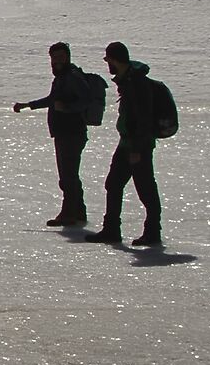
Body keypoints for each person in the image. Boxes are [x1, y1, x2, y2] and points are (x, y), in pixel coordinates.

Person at [12, 41, 101, 227]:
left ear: (68, 57)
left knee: (67, 176)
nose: (57, 61)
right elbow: (52, 100)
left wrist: (67, 108)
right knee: (70, 174)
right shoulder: (62, 77)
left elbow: (86, 100)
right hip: (65, 131)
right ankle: (78, 212)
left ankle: (69, 213)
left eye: (61, 57)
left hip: (71, 132)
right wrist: (28, 105)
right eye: (54, 58)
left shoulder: (72, 77)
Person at [93, 41, 164, 248]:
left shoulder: (136, 83)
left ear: (115, 60)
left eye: (108, 60)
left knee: (145, 188)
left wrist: (136, 149)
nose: (108, 64)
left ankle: (152, 232)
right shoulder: (128, 80)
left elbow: (143, 119)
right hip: (127, 143)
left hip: (137, 145)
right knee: (113, 184)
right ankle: (111, 230)